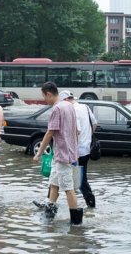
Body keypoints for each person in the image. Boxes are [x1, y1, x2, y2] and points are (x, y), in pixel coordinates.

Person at [34, 90, 98, 208]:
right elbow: (94, 124)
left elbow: (75, 131)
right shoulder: (85, 107)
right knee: (76, 179)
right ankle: (90, 204)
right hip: (85, 149)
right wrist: (87, 138)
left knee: (67, 182)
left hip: (71, 150)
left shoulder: (69, 109)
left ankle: (54, 205)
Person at [33, 82, 83, 225]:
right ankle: (48, 217)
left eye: (44, 97)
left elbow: (50, 132)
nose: (44, 100)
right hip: (66, 153)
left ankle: (76, 223)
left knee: (68, 188)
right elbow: (76, 131)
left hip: (63, 154)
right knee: (54, 183)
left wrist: (39, 153)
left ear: (49, 94)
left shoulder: (57, 109)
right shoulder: (69, 105)